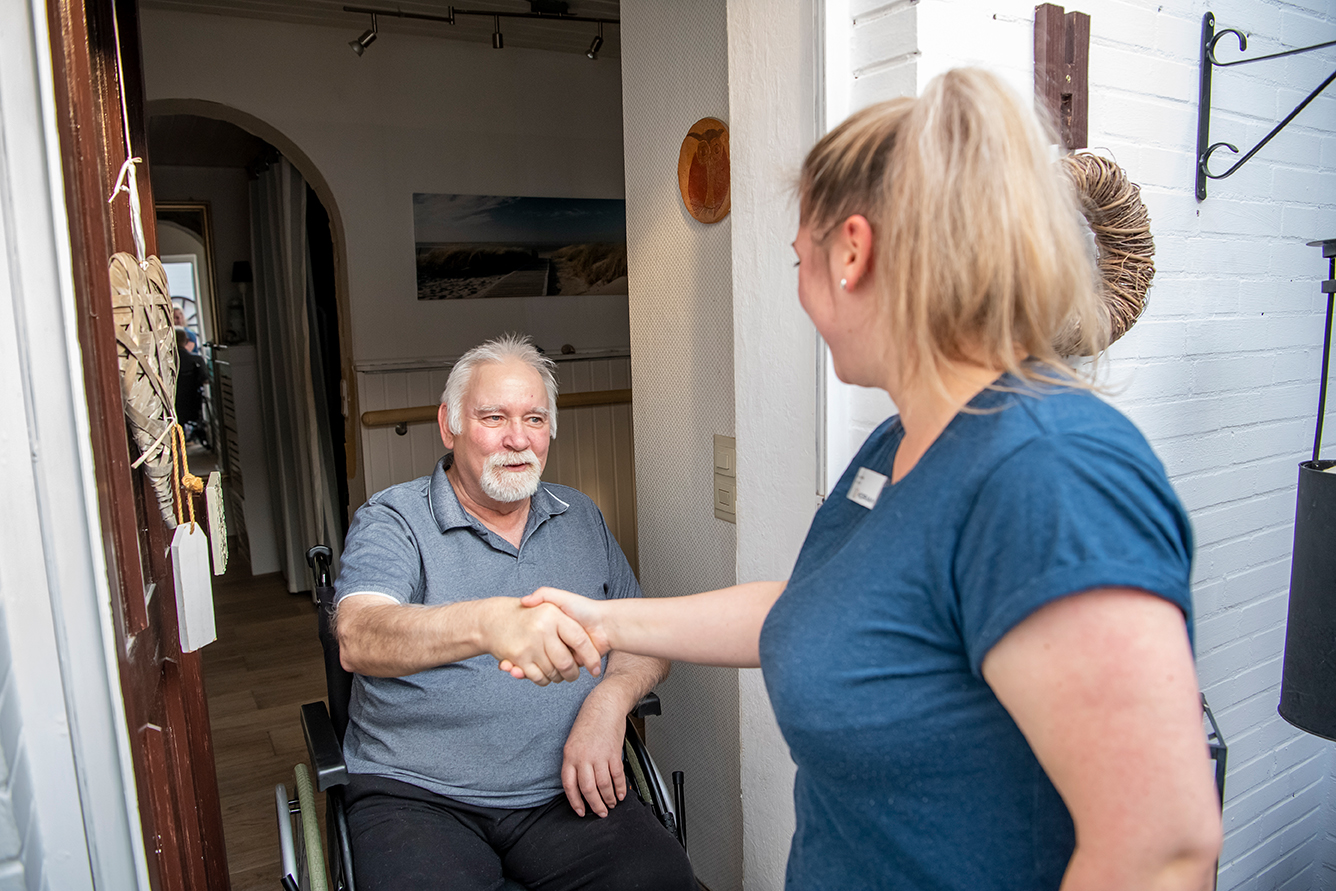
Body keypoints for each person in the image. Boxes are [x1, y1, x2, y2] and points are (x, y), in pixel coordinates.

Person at [512, 70, 1224, 891]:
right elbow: (821, 602)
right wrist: (604, 619)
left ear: (852, 250)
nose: (801, 292)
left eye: (798, 259)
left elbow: (1162, 852)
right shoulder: (900, 442)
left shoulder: (1049, 471)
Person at [333, 334, 694, 891]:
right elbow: (359, 635)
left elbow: (642, 634)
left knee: (663, 880)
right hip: (417, 795)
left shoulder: (581, 518)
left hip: (561, 789)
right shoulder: (394, 519)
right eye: (494, 416)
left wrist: (609, 703)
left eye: (534, 418)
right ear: (449, 425)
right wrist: (487, 623)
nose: (516, 438)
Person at [174, 327, 208, 445]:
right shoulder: (196, 359)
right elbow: (205, 380)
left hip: (175, 404)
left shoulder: (169, 363)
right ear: (186, 340)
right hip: (192, 402)